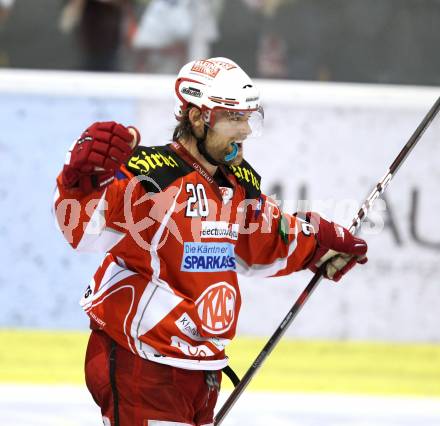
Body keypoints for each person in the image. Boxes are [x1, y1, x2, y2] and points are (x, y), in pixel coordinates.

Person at [54, 57, 368, 425]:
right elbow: (81, 226)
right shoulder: (149, 179)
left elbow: (265, 238)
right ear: (198, 117)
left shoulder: (235, 184)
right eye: (235, 118)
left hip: (201, 369)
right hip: (144, 363)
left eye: (249, 118)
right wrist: (80, 179)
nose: (246, 131)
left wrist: (319, 244)